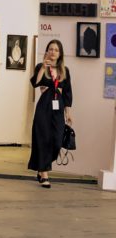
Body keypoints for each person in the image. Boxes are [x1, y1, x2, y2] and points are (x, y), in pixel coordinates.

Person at [30, 39, 72, 188]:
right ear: (47, 51)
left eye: (56, 50)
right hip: (44, 107)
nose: (53, 52)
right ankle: (44, 174)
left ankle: (42, 167)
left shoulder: (65, 70)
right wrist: (43, 68)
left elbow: (67, 93)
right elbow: (35, 83)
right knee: (43, 139)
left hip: (58, 108)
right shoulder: (40, 67)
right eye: (51, 49)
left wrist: (68, 112)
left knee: (57, 141)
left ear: (60, 54)